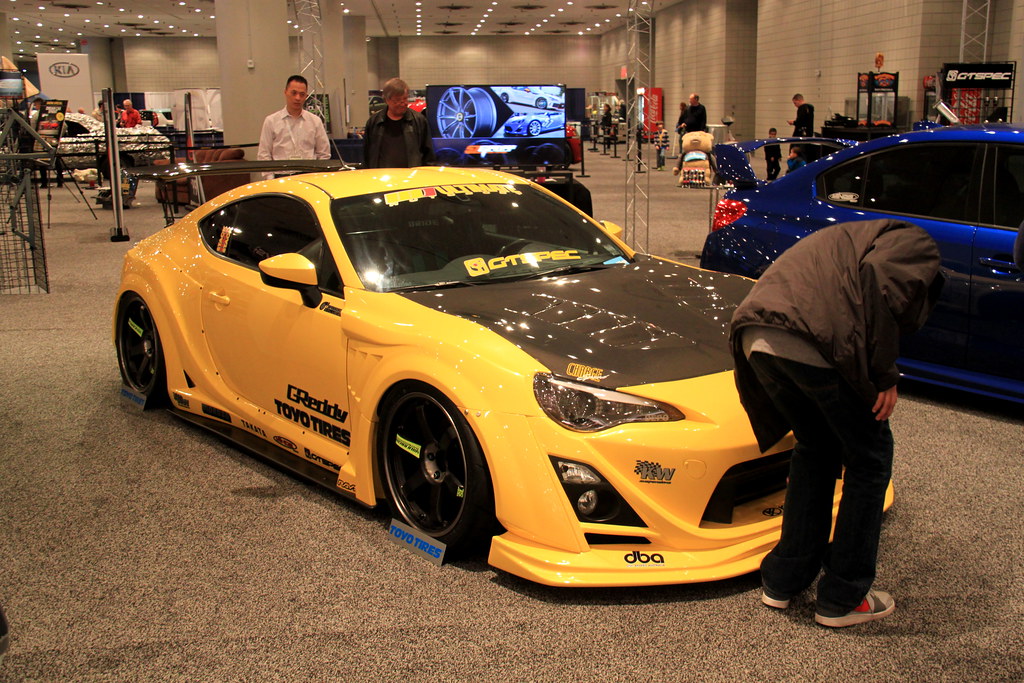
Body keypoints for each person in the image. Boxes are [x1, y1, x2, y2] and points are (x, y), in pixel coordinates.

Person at [729, 219, 944, 628]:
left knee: (816, 447)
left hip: (755, 336)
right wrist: (883, 374)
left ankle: (783, 581)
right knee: (870, 460)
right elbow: (880, 282)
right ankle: (843, 598)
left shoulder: (853, 237)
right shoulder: (919, 244)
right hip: (812, 339)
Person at [257, 74, 331, 180]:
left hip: (308, 176)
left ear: (306, 96)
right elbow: (264, 154)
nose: (297, 98)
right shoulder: (271, 121)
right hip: (280, 177)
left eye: (302, 94)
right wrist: (270, 179)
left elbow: (324, 153)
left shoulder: (315, 121)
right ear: (285, 92)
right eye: (294, 93)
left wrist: (317, 176)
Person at [363, 77, 435, 169]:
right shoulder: (374, 122)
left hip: (412, 179)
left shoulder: (419, 121)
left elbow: (428, 156)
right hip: (381, 179)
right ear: (387, 100)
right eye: (398, 100)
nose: (403, 103)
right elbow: (367, 156)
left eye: (405, 98)